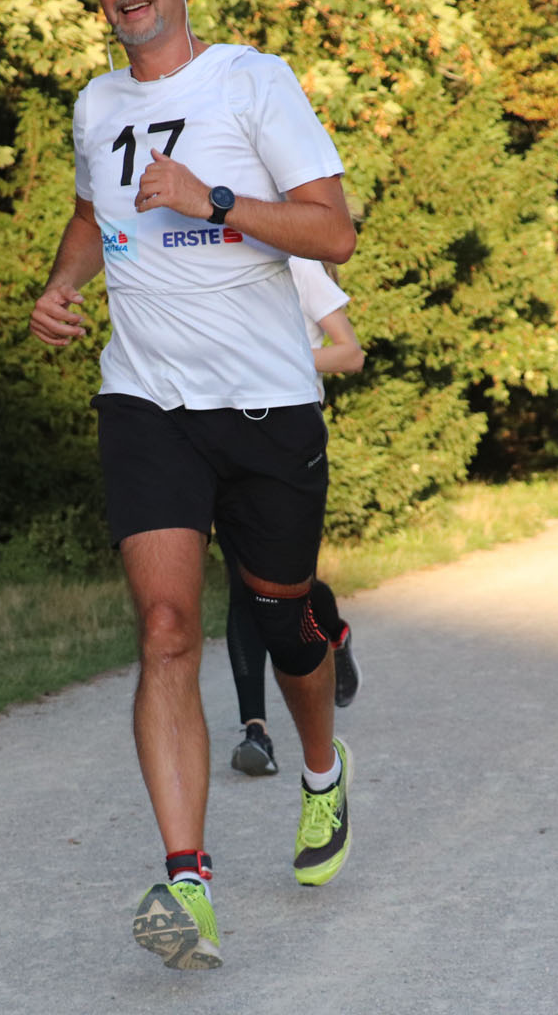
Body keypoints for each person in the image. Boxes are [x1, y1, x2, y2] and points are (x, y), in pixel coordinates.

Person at [28, 0, 356, 971]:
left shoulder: (252, 81)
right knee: (165, 629)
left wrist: (213, 199)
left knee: (285, 621)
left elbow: (332, 230)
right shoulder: (95, 103)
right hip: (145, 402)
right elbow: (92, 214)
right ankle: (188, 884)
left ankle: (321, 771)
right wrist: (63, 286)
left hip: (264, 403)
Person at [228, 258, 365, 778]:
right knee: (243, 584)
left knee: (290, 588)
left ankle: (335, 633)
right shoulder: (212, 261)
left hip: (288, 438)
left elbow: (350, 354)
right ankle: (255, 733)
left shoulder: (298, 263)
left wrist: (276, 362)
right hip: (221, 433)